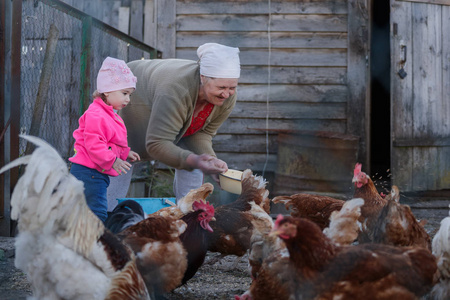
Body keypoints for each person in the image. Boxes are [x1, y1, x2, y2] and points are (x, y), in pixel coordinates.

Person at [120, 43, 240, 201]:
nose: (226, 94)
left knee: (196, 161)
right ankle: (105, 215)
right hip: (134, 93)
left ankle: (188, 214)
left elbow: (202, 133)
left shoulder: (227, 98)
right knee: (121, 154)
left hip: (172, 104)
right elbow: (156, 143)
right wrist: (196, 161)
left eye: (232, 87)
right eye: (222, 87)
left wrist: (211, 161)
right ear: (203, 78)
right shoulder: (175, 90)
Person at [69, 57, 141, 222]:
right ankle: (96, 244)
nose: (128, 99)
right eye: (124, 93)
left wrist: (125, 152)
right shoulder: (97, 114)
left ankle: (84, 242)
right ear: (107, 91)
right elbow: (94, 145)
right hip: (88, 173)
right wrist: (113, 161)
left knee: (88, 210)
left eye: (129, 94)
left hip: (95, 172)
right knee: (97, 212)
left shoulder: (109, 114)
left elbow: (112, 142)